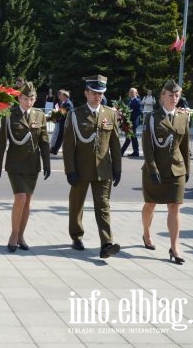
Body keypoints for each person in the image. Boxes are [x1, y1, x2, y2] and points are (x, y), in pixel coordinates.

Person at [62, 75, 122, 259]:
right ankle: (76, 235)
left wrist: (117, 168)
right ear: (86, 93)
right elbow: (68, 145)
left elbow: (115, 144)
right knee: (76, 204)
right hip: (80, 170)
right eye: (94, 93)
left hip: (103, 169)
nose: (97, 96)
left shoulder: (110, 114)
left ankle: (106, 244)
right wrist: (70, 170)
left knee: (103, 206)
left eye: (100, 93)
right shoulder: (75, 114)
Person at [0, 82, 50, 252]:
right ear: (19, 98)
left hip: (33, 165)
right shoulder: (10, 114)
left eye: (31, 98)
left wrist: (47, 163)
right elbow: (2, 142)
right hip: (15, 164)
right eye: (25, 98)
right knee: (21, 198)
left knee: (28, 201)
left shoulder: (39, 115)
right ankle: (13, 235)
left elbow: (44, 142)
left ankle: (21, 236)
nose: (29, 102)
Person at [141, 80, 190, 265]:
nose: (174, 99)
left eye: (177, 96)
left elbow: (184, 147)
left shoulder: (182, 117)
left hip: (176, 169)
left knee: (175, 207)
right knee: (150, 205)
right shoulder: (152, 117)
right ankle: (146, 233)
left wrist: (186, 169)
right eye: (170, 95)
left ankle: (175, 247)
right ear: (162, 96)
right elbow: (147, 146)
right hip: (155, 169)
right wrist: (152, 169)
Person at [49, 89, 73, 155]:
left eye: (61, 96)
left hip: (66, 123)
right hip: (63, 123)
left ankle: (55, 150)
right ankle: (54, 150)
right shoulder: (65, 103)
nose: (59, 97)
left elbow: (62, 114)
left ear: (64, 96)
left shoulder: (68, 104)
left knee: (63, 138)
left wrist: (53, 118)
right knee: (60, 137)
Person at [121, 87, 142, 157]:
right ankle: (136, 152)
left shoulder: (137, 101)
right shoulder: (130, 100)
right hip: (129, 121)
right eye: (130, 92)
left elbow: (139, 111)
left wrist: (130, 118)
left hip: (133, 122)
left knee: (129, 137)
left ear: (136, 93)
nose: (130, 93)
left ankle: (121, 152)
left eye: (132, 92)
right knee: (132, 137)